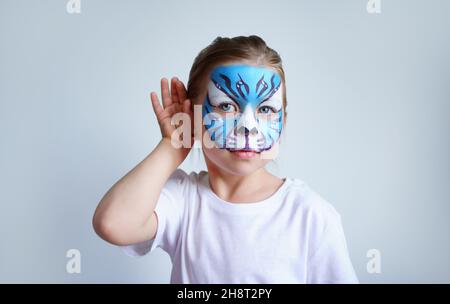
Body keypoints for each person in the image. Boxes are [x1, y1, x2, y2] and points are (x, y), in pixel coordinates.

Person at [93, 35, 358, 284]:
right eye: (226, 106)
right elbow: (113, 224)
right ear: (192, 118)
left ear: (283, 121)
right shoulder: (183, 200)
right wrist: (171, 147)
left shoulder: (310, 215)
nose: (249, 127)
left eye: (266, 109)